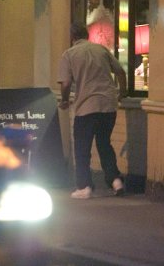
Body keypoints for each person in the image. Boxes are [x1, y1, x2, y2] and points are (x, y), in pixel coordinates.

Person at [58, 23, 127, 199]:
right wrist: (122, 93)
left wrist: (65, 100)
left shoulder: (69, 54)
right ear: (86, 35)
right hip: (108, 105)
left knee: (82, 147)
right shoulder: (101, 50)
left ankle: (84, 186)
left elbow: (65, 83)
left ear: (72, 37)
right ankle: (115, 181)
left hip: (86, 106)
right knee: (104, 144)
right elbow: (120, 72)